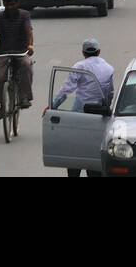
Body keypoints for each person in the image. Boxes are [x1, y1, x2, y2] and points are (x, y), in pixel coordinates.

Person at [53, 39, 115, 176]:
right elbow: (110, 93)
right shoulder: (109, 68)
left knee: (75, 152)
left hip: (79, 116)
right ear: (99, 52)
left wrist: (52, 106)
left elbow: (66, 90)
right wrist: (106, 109)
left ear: (83, 53)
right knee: (95, 152)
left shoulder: (79, 66)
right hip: (99, 116)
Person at [0, 0, 34, 119]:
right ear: (4, 4)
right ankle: (2, 106)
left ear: (17, 3)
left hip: (21, 51)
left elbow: (29, 32)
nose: (10, 7)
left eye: (13, 4)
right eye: (7, 5)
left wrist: (30, 46)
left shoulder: (24, 15)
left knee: (26, 65)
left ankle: (25, 97)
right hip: (4, 51)